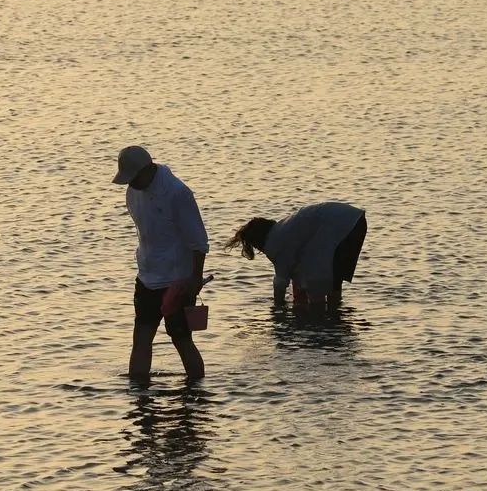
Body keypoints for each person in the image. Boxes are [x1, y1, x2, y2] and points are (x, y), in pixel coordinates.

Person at [113, 145, 208, 381]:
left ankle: (197, 392)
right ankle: (139, 398)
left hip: (177, 280)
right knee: (141, 338)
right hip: (147, 275)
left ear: (147, 169)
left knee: (181, 339)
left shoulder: (177, 193)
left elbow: (199, 242)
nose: (130, 184)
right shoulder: (133, 191)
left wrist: (195, 279)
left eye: (133, 178)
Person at [226, 201, 367, 310]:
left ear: (259, 241)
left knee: (332, 275)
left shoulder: (276, 242)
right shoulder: (285, 229)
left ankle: (332, 315)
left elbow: (281, 281)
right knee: (334, 276)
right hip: (354, 220)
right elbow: (298, 265)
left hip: (345, 225)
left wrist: (278, 308)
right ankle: (334, 314)